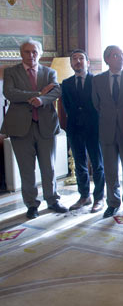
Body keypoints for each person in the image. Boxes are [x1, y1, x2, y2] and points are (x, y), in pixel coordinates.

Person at [1, 39, 67, 218]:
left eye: (34, 52)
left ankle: (52, 199)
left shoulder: (50, 72)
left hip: (45, 125)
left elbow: (56, 91)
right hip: (20, 128)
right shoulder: (11, 72)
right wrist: (38, 93)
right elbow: (10, 93)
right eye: (27, 52)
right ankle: (31, 205)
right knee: (26, 169)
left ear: (40, 53)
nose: (31, 55)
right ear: (21, 54)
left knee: (49, 167)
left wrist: (42, 100)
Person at [92, 45, 123, 218]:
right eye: (115, 55)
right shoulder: (97, 80)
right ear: (107, 59)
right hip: (107, 131)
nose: (120, 58)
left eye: (122, 55)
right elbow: (97, 104)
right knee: (110, 169)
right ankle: (113, 203)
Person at [61, 49, 105, 213]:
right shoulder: (66, 83)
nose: (77, 61)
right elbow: (66, 106)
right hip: (74, 128)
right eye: (74, 59)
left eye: (81, 58)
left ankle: (99, 197)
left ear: (88, 62)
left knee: (97, 164)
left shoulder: (96, 81)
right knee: (79, 164)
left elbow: (100, 104)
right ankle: (84, 196)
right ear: (71, 64)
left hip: (94, 127)